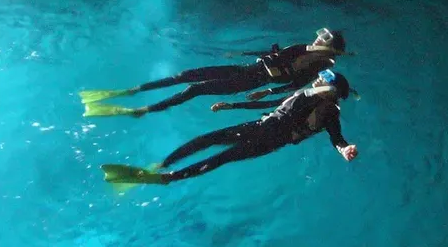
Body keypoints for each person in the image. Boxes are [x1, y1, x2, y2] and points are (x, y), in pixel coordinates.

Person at [100, 69, 358, 185]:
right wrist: (231, 107)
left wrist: (344, 149)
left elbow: (337, 138)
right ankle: (166, 176)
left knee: (209, 142)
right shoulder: (312, 98)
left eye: (322, 81)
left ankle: (163, 169)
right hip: (268, 138)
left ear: (328, 89)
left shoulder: (324, 107)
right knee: (221, 156)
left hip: (266, 132)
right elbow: (274, 106)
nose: (316, 81)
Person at [80, 28, 347, 117]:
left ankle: (143, 111)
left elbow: (292, 86)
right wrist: (243, 55)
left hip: (252, 79)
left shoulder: (317, 66)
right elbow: (274, 53)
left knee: (195, 89)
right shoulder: (304, 47)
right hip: (246, 68)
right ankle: (135, 90)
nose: (317, 37)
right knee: (186, 75)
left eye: (322, 38)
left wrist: (265, 91)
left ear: (328, 48)